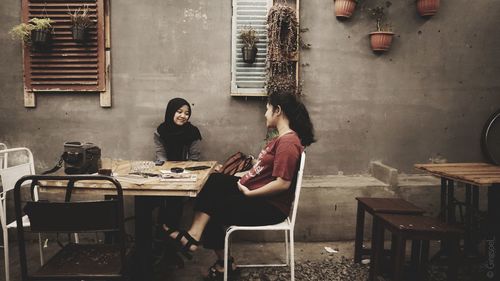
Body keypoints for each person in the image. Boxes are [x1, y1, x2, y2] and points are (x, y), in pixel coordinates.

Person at [159, 92, 315, 280]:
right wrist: (240, 177)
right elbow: (262, 172)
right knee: (214, 180)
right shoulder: (281, 139)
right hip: (258, 195)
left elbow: (282, 184)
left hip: (270, 207)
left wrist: (250, 193)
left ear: (278, 111)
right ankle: (196, 236)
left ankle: (219, 259)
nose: (265, 114)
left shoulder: (288, 143)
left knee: (214, 205)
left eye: (267, 109)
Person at [153, 97, 202, 266]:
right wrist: (167, 172)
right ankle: (160, 248)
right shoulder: (161, 131)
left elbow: (194, 159)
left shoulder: (193, 132)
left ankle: (170, 251)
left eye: (187, 113)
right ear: (171, 112)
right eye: (179, 112)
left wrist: (182, 173)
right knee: (159, 208)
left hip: (185, 177)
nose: (183, 116)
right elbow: (160, 156)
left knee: (175, 208)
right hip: (163, 175)